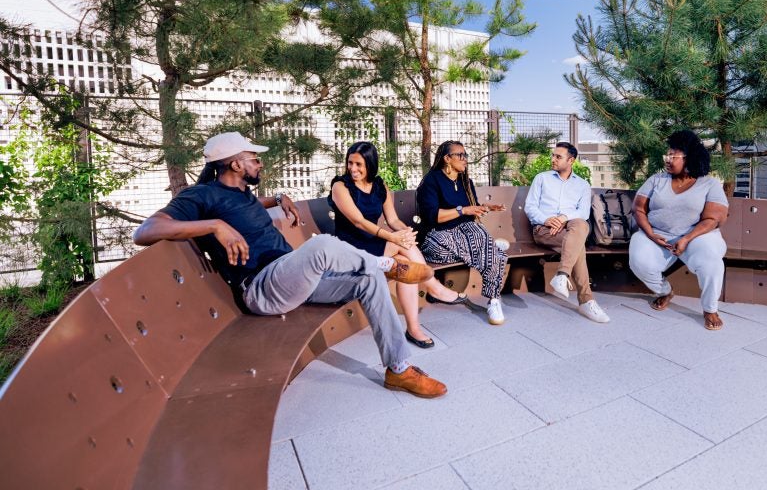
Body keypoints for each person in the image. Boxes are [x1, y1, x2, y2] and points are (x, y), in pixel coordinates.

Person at [132, 131, 447, 398]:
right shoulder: (200, 196)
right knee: (321, 246)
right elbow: (145, 231)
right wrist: (214, 226)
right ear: (234, 163)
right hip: (262, 288)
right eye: (254, 158)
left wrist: (278, 198)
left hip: (290, 279)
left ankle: (399, 369)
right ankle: (388, 265)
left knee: (368, 280)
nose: (260, 162)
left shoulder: (240, 193)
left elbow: (247, 208)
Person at [328, 141, 469, 349]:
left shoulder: (379, 187)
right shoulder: (341, 187)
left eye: (359, 164)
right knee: (402, 247)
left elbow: (393, 220)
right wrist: (394, 238)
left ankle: (413, 329)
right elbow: (359, 221)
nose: (353, 169)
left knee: (405, 264)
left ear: (370, 164)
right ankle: (433, 286)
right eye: (350, 163)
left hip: (374, 244)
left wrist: (405, 233)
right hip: (350, 251)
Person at [629, 129, 730, 330]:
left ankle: (710, 309)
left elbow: (713, 219)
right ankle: (665, 291)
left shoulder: (709, 184)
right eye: (667, 155)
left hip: (697, 236)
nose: (667, 159)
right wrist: (650, 234)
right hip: (656, 234)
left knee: (712, 263)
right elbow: (638, 209)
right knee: (639, 261)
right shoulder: (656, 180)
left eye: (673, 156)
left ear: (689, 158)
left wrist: (686, 239)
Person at [416, 140, 509, 325]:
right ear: (447, 159)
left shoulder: (466, 182)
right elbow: (433, 216)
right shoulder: (431, 180)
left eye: (466, 155)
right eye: (461, 155)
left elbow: (471, 209)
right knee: (484, 249)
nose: (465, 159)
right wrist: (463, 210)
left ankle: (494, 299)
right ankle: (490, 246)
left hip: (465, 232)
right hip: (437, 233)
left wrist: (485, 207)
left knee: (477, 233)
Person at [524, 141, 609, 323]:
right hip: (544, 230)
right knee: (578, 245)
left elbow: (583, 213)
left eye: (558, 156)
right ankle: (586, 300)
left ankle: (562, 275)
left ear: (571, 160)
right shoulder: (542, 178)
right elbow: (530, 206)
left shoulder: (582, 185)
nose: (553, 159)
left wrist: (563, 217)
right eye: (553, 155)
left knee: (580, 224)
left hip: (570, 229)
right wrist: (546, 219)